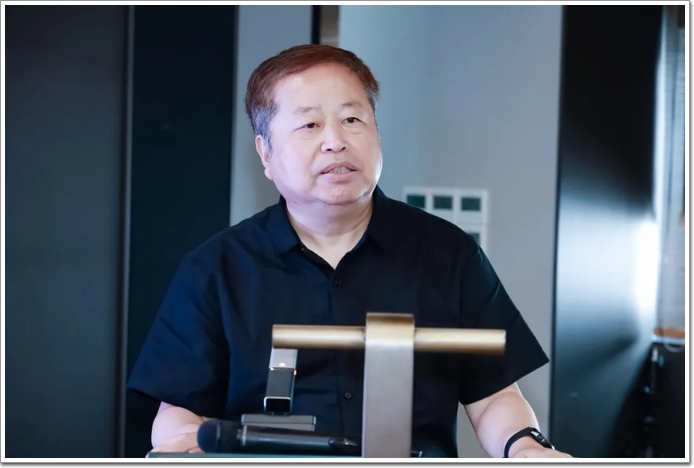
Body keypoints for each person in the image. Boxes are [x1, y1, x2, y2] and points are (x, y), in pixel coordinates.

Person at [127, 44, 572, 459]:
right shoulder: (217, 267)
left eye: (352, 119)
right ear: (265, 153)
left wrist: (525, 449)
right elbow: (180, 410)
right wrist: (183, 447)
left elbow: (494, 396)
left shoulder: (448, 252)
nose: (335, 141)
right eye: (309, 125)